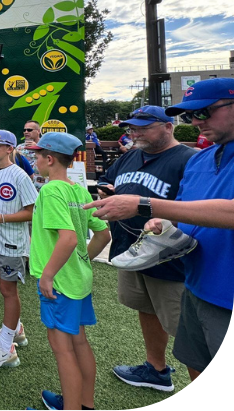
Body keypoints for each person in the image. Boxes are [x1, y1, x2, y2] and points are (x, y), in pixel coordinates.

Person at [87, 77, 234, 382]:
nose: (196, 122)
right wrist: (163, 222)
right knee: (194, 359)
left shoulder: (186, 157)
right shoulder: (202, 158)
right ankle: (155, 369)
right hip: (194, 278)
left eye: (204, 112)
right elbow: (184, 209)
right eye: (190, 115)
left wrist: (146, 206)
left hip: (213, 287)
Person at [96, 106, 195, 392]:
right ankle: (156, 369)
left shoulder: (188, 159)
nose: (135, 133)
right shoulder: (131, 155)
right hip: (131, 250)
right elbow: (107, 180)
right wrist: (106, 191)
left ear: (168, 127)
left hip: (171, 256)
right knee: (146, 308)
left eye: (143, 127)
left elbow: (198, 208)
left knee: (189, 331)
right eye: (132, 128)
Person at [25, 132, 111, 411]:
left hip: (60, 284)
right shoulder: (79, 190)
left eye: (38, 155)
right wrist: (82, 261)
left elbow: (69, 239)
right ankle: (84, 404)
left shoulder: (50, 191)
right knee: (80, 343)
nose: (35, 160)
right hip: (78, 279)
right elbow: (103, 235)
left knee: (63, 350)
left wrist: (48, 275)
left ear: (49, 159)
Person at [0, 129, 38, 368]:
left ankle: (6, 348)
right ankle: (16, 330)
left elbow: (32, 211)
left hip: (11, 242)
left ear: (10, 149)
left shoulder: (20, 176)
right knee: (3, 286)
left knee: (8, 290)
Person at [16, 120, 47, 189]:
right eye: (24, 130)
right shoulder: (19, 148)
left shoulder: (46, 146)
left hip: (42, 185)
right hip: (24, 185)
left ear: (38, 131)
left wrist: (37, 148)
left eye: (29, 130)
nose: (26, 132)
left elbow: (51, 161)